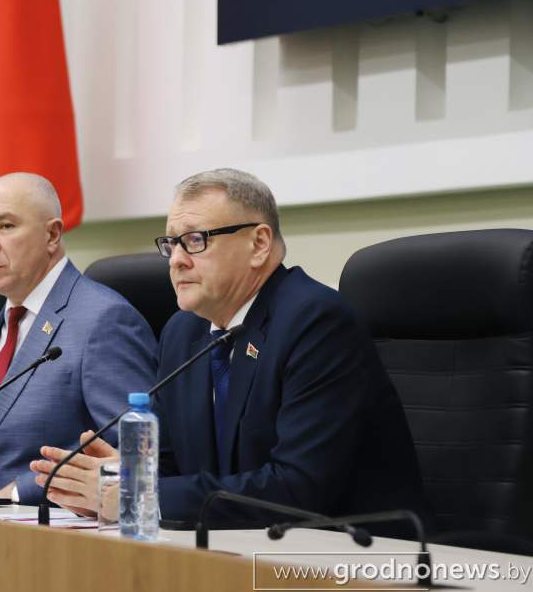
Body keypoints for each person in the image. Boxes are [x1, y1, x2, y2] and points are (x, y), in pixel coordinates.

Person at [32, 169, 431, 533]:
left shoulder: (315, 323)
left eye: (195, 240)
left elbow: (297, 488)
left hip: (349, 555)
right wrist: (124, 477)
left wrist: (139, 496)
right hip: (235, 547)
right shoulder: (184, 332)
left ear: (259, 244)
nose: (176, 261)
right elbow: (174, 464)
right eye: (171, 244)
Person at [0, 172, 157, 504]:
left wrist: (20, 492)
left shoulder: (103, 320)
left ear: (52, 234)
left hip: (52, 526)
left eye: (5, 226)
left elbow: (133, 451)